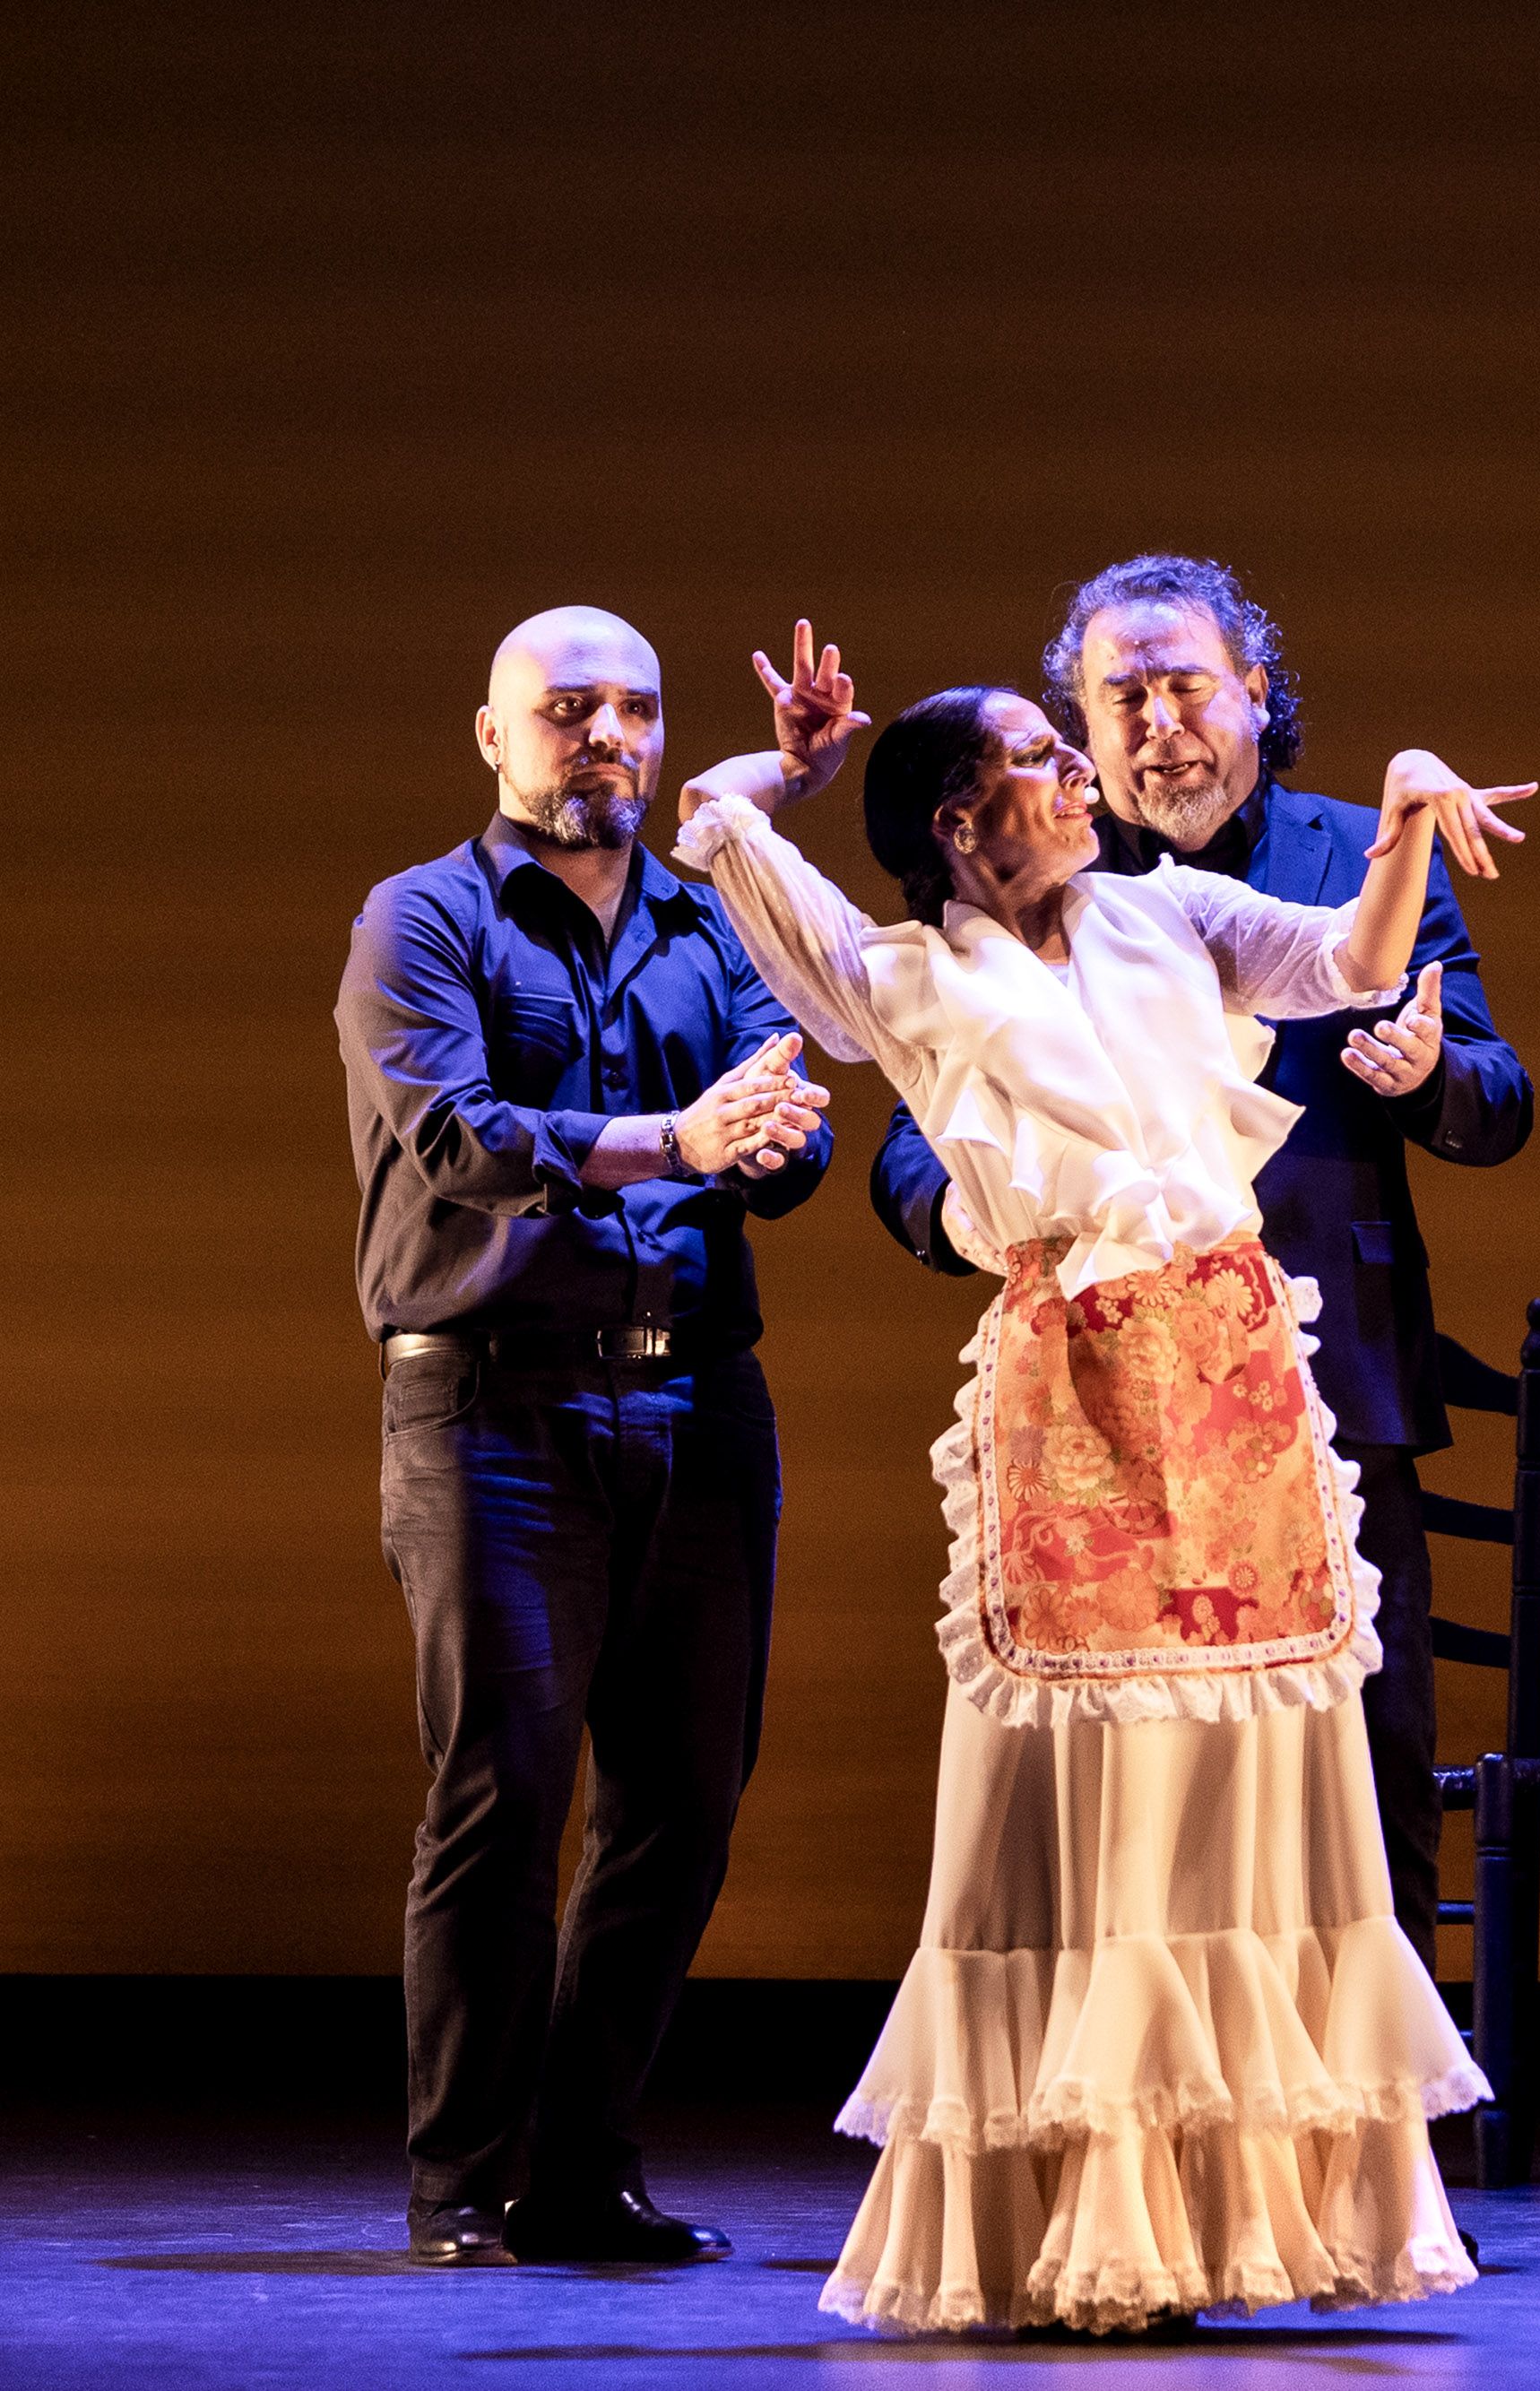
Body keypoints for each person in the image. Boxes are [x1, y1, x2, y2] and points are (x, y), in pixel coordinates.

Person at [669, 654, 1529, 2334]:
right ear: (958, 818)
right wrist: (791, 772)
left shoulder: (1171, 914)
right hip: (1074, 1394)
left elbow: (1355, 964)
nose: (1081, 775)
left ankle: (1250, 2219)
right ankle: (1074, 2208)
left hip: (1229, 1374)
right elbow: (713, 828)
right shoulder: (902, 975)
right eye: (1044, 757)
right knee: (1081, 1797)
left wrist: (1411, 810)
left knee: (1249, 1783)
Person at [872, 555, 1534, 1971]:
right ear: (1079, 732)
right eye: (1124, 698)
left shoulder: (1363, 851)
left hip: (1329, 1395)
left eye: (1189, 685)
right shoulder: (1024, 862)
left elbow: (1499, 1094)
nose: (1161, 722)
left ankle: (1378, 2166)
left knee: (1366, 1787)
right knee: (1135, 1805)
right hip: (1107, 1423)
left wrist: (1426, 1075)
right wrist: (979, 1216)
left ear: (1255, 695)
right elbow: (914, 1137)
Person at [337, 605, 839, 2267]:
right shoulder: (421, 920)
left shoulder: (711, 923)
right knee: (505, 1790)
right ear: (495, 735)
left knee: (683, 1804)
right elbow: (459, 1137)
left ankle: (582, 2161)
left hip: (695, 1394)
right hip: (494, 1397)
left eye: (634, 709)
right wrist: (676, 1136)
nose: (605, 734)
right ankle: (458, 2183)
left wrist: (773, 1143)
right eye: (568, 709)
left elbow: (775, 1140)